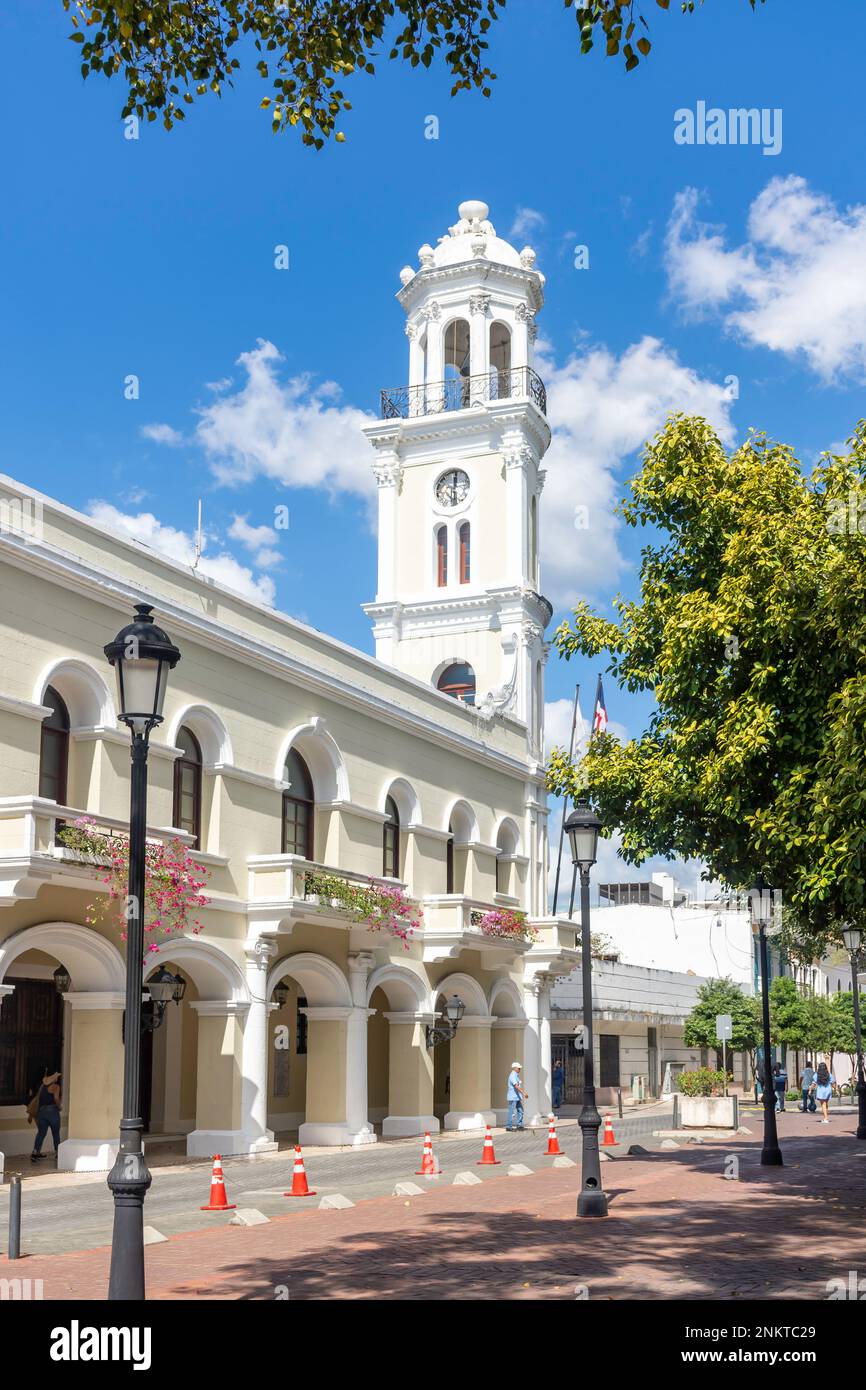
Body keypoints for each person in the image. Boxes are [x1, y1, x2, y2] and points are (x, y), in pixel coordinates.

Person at [29, 1068, 62, 1162]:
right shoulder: (56, 1087)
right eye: (56, 1076)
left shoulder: (42, 1087)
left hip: (42, 1112)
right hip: (52, 1111)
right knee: (55, 1134)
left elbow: (38, 1100)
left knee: (41, 1134)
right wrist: (59, 1107)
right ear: (53, 1078)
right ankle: (58, 1153)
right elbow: (56, 1098)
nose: (57, 1078)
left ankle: (35, 1152)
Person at [506, 1061, 527, 1131]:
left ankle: (519, 1125)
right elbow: (516, 1086)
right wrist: (524, 1093)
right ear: (515, 1068)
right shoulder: (512, 1075)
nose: (520, 1069)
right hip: (513, 1097)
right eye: (519, 1068)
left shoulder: (516, 1075)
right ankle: (509, 1126)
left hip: (517, 1097)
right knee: (511, 1112)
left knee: (520, 1110)